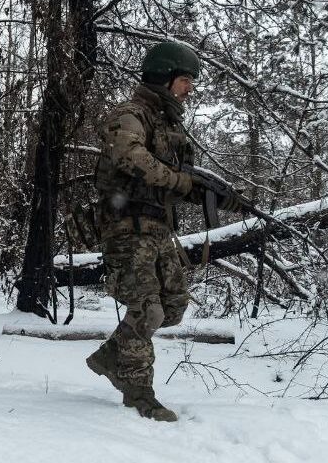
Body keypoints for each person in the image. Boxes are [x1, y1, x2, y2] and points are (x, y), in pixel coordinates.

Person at [86, 41, 245, 421]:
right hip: (127, 230)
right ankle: (140, 394)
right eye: (185, 80)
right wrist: (181, 182)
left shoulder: (170, 126)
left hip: (158, 231)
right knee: (148, 309)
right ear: (164, 77)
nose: (189, 89)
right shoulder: (128, 115)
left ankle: (110, 357)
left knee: (173, 306)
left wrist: (218, 197)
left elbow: (180, 181)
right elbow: (130, 156)